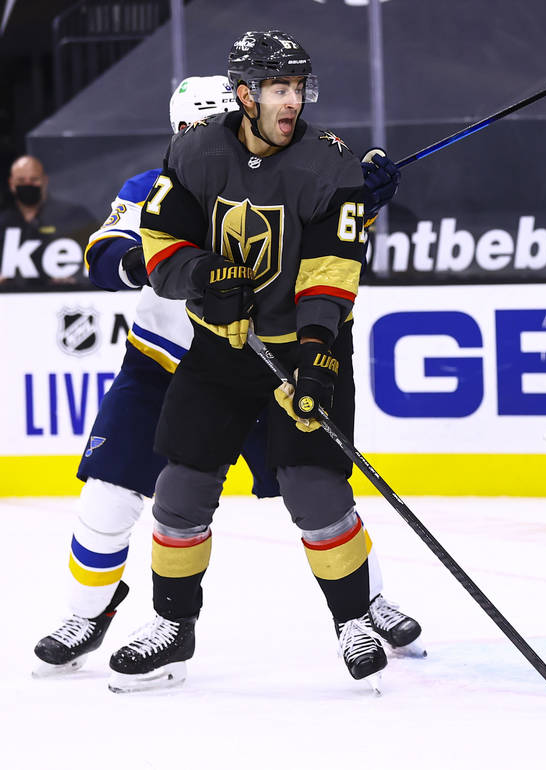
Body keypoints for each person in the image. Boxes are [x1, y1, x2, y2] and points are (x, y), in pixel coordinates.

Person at [31, 75, 418, 679]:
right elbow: (103, 256)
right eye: (190, 127)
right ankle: (90, 611)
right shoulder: (162, 183)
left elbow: (324, 239)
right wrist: (154, 262)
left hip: (266, 365)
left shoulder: (288, 170)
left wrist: (358, 201)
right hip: (163, 367)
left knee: (318, 491)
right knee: (109, 495)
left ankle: (365, 605)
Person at [0, 154, 97, 287]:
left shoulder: (71, 215)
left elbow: (97, 254)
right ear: (11, 184)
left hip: (65, 296)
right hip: (13, 300)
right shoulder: (4, 223)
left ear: (45, 180)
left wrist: (77, 278)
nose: (28, 184)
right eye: (21, 181)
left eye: (34, 179)